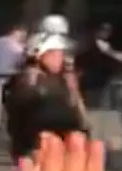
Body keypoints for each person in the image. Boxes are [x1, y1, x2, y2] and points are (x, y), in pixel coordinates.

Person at [6, 32, 86, 162]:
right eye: (54, 54)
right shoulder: (29, 78)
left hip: (63, 142)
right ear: (39, 55)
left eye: (61, 54)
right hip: (36, 144)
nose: (60, 58)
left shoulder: (65, 79)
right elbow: (20, 114)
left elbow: (75, 107)